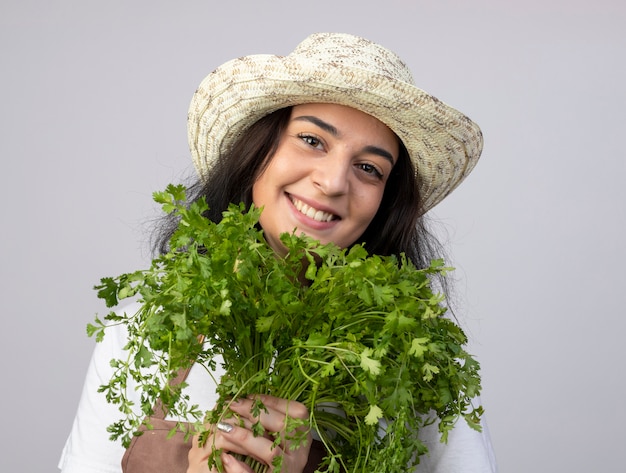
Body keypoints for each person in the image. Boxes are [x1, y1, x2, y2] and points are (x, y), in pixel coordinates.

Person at [58, 32, 498, 473]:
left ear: (386, 201)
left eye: (369, 168)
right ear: (257, 151)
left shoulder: (420, 367)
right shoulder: (138, 336)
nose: (333, 182)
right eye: (312, 140)